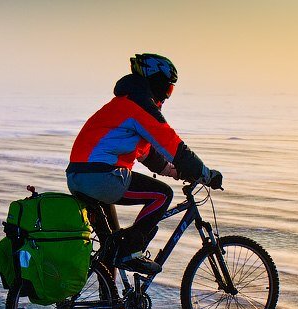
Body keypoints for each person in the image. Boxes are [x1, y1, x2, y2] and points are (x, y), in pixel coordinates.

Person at [66, 53, 222, 274]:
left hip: (80, 176)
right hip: (102, 177)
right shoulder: (139, 104)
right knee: (162, 195)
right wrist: (205, 174)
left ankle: (110, 306)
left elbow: (146, 153)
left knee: (112, 250)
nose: (168, 95)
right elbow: (172, 144)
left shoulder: (123, 103)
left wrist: (173, 171)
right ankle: (132, 251)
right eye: (169, 88)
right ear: (156, 81)